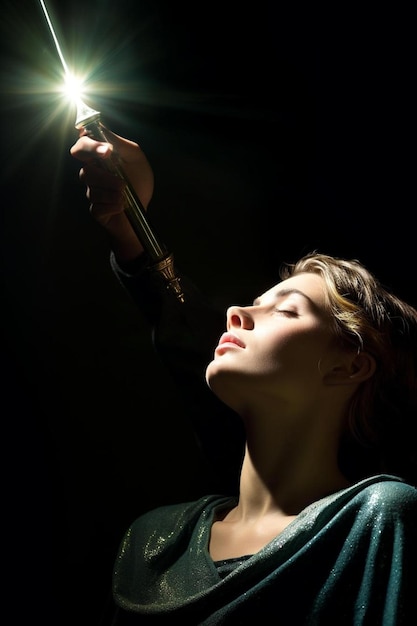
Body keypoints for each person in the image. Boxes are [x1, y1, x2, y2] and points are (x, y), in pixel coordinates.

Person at [70, 127, 417, 625]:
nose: (235, 312)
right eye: (254, 303)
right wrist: (131, 223)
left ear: (351, 364)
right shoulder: (151, 543)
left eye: (288, 311)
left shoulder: (377, 520)